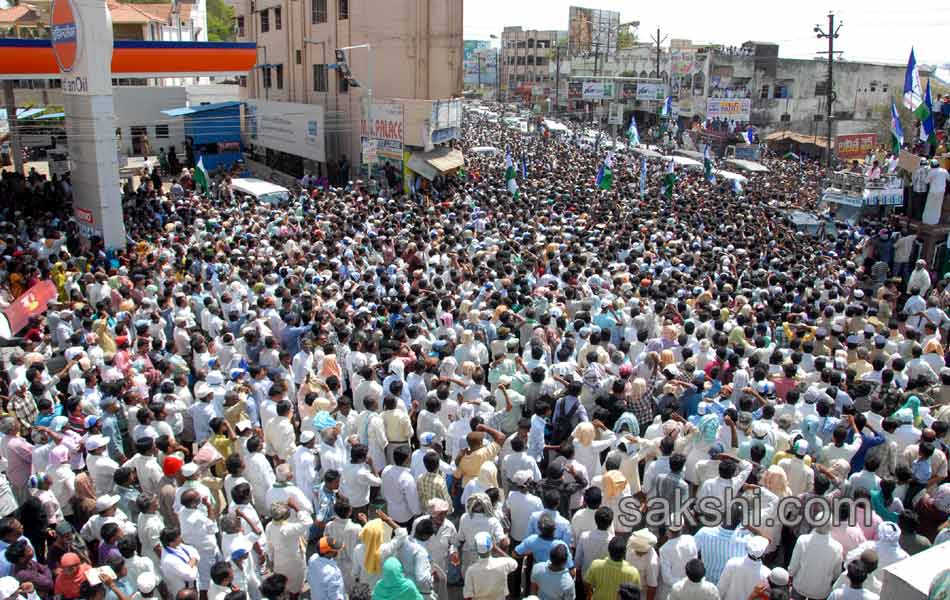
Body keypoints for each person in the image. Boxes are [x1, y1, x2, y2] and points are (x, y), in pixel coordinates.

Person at [463, 531, 517, 600]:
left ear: (476, 549)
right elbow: (514, 563)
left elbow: (467, 596)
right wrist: (497, 549)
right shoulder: (503, 563)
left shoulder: (471, 571)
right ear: (491, 547)